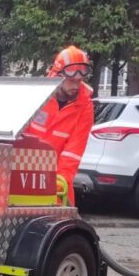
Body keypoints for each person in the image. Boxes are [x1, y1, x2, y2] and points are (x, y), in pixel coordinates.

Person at [26, 45, 94, 205]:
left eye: (79, 81)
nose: (76, 86)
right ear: (58, 75)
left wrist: (56, 184)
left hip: (57, 185)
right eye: (71, 80)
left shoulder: (84, 106)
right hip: (23, 177)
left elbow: (73, 153)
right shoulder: (37, 95)